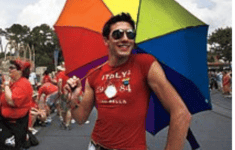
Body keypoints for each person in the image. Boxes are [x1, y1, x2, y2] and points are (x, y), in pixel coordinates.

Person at [64, 13, 191, 150]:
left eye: (130, 34)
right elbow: (81, 118)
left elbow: (181, 113)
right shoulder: (94, 74)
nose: (125, 39)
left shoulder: (145, 64)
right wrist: (72, 98)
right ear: (106, 40)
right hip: (96, 146)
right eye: (118, 34)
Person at [0, 59, 33, 150]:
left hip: (15, 125)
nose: (9, 70)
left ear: (20, 71)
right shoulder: (14, 83)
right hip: (6, 124)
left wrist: (7, 85)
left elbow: (12, 101)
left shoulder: (23, 84)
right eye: (9, 68)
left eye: (12, 68)